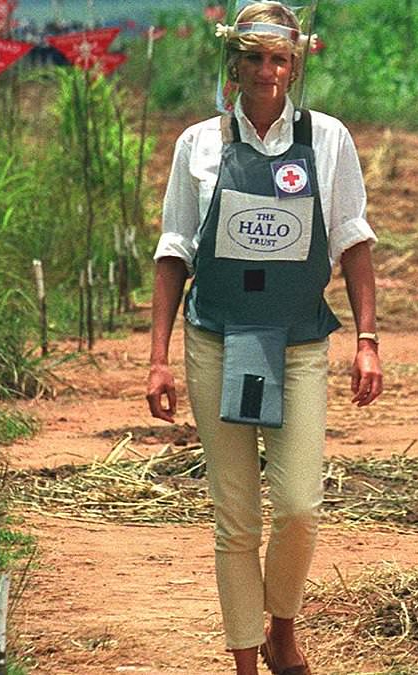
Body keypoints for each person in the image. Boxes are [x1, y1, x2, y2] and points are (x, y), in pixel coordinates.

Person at [145, 3, 382, 673]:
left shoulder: (329, 139)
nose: (267, 71)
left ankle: (283, 625)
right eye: (254, 57)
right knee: (237, 516)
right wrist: (157, 358)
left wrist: (368, 338)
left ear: (295, 64)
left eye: (279, 58)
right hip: (217, 338)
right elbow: (173, 251)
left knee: (300, 505)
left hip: (299, 340)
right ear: (235, 64)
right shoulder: (199, 144)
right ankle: (247, 661)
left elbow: (353, 240)